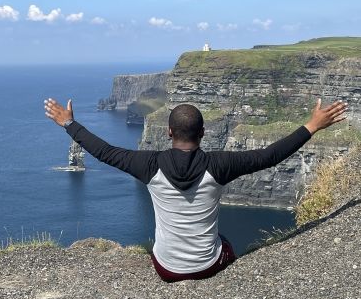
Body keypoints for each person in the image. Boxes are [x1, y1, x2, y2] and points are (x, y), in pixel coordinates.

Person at [44, 97, 348, 282]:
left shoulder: (148, 165)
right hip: (208, 266)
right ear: (203, 133)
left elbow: (104, 151)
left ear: (169, 132)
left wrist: (69, 124)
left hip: (166, 269)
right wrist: (312, 125)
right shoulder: (219, 165)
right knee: (225, 240)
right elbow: (269, 155)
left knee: (162, 246)